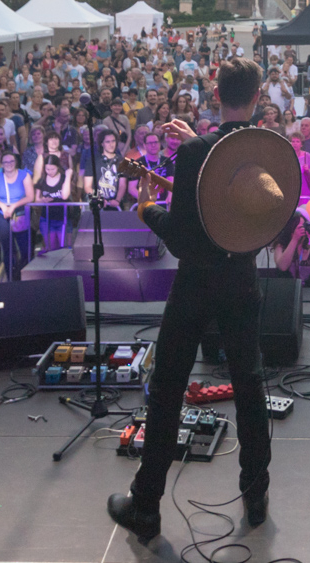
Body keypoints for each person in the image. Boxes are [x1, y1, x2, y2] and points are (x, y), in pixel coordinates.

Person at [107, 59, 275, 542]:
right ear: (257, 96)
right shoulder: (261, 149)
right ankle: (256, 496)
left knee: (167, 388)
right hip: (241, 280)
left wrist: (146, 209)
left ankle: (146, 506)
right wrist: (196, 143)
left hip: (196, 283)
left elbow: (180, 237)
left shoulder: (197, 152)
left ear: (215, 93)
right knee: (249, 383)